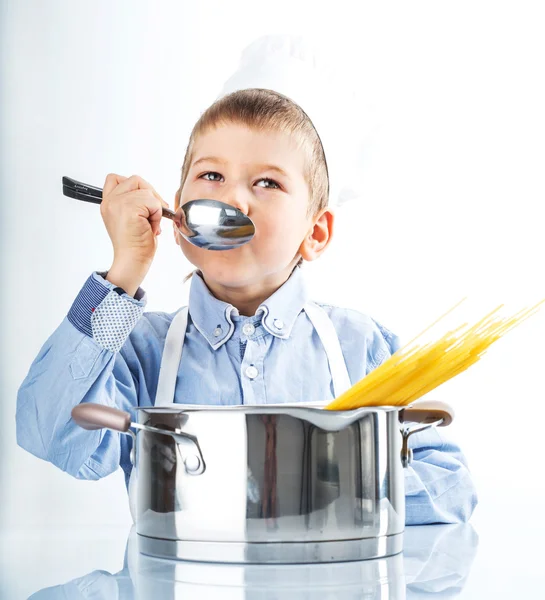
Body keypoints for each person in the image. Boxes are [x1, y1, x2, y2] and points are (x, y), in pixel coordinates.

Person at [15, 36, 477, 525]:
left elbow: (450, 490)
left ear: (315, 232)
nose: (233, 199)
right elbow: (45, 430)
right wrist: (123, 273)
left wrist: (323, 487)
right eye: (211, 176)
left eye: (267, 182)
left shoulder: (362, 348)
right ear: (178, 214)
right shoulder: (139, 351)